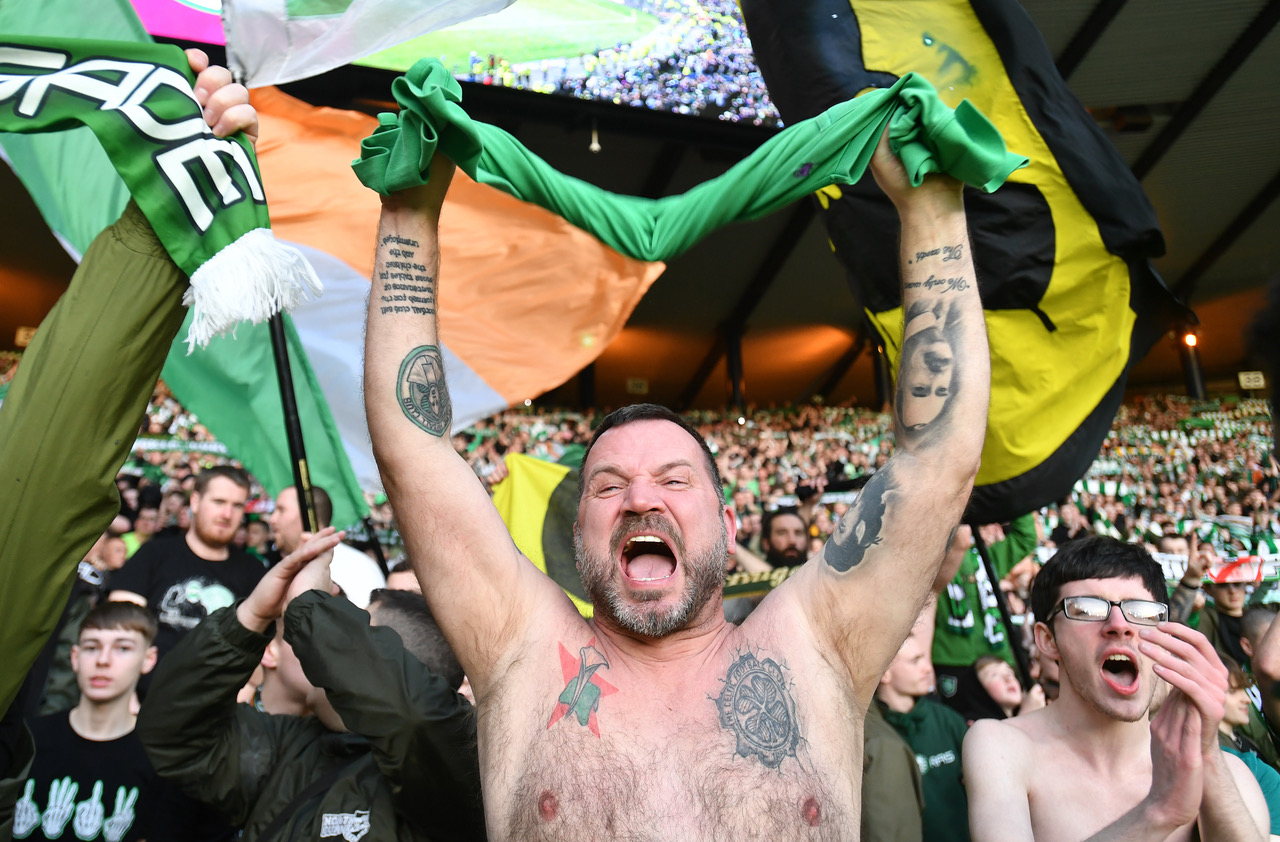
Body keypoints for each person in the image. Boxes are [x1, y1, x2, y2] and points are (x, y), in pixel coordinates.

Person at [364, 127, 989, 837]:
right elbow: (412, 451)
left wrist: (933, 212)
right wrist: (408, 217)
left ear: (728, 530)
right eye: (608, 487)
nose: (640, 498)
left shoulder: (818, 642)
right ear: (579, 537)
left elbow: (936, 461)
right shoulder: (521, 649)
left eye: (673, 479)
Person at [0, 49, 260, 833]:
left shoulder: (249, 571)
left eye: (231, 502)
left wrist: (175, 203)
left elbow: (48, 449)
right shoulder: (153, 561)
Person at [136, 530, 484, 842]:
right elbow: (174, 732)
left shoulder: (456, 766)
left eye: (354, 629)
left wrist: (310, 605)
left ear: (394, 664)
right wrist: (253, 615)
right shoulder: (290, 745)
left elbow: (415, 719)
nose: (326, 651)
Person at [964, 536, 1268, 840]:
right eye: (1086, 609)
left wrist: (1208, 756)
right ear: (1048, 640)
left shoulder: (1228, 771)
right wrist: (1157, 812)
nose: (1119, 623)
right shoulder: (1004, 747)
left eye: (1142, 611)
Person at [15, 602, 193, 841]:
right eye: (91, 647)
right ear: (75, 657)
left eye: (122, 648)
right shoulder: (27, 739)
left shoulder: (160, 760)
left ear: (149, 659)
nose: (103, 660)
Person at [108, 466, 265, 661]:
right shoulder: (154, 554)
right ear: (195, 501)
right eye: (219, 502)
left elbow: (260, 647)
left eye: (237, 505)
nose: (227, 514)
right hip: (151, 686)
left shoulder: (254, 572)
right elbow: (118, 628)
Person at [875, 634, 970, 842]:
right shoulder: (870, 736)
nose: (927, 668)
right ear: (884, 672)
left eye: (925, 658)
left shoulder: (948, 721)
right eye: (915, 661)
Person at [269, 485, 385, 608]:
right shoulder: (281, 567)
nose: (272, 519)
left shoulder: (358, 568)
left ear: (309, 516)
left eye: (281, 510)